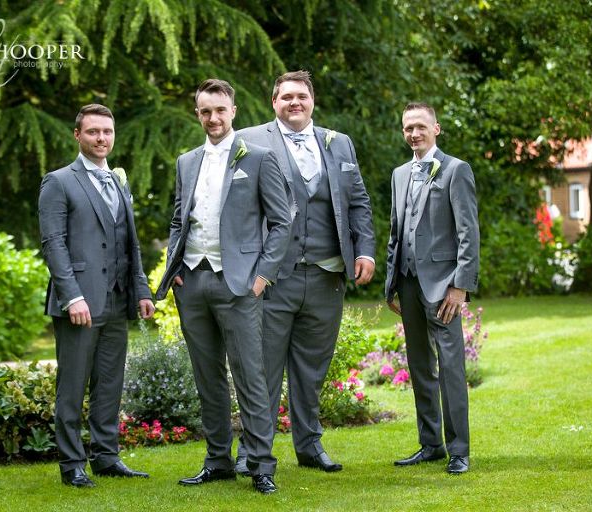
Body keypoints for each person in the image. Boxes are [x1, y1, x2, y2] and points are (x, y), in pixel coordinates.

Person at [155, 79, 291, 494]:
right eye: (204, 111)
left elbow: (282, 223)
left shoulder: (260, 157)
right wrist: (176, 268)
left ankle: (262, 465)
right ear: (197, 114)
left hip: (240, 285)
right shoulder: (186, 161)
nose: (213, 118)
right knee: (207, 377)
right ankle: (217, 460)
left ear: (233, 111)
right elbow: (180, 219)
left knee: (250, 376)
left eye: (219, 110)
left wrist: (262, 277)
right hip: (192, 282)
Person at [235, 70, 376, 474]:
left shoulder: (339, 142)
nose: (294, 103)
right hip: (272, 277)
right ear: (273, 103)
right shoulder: (249, 140)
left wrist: (364, 249)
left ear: (312, 100)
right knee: (261, 368)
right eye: (286, 97)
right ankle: (251, 450)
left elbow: (358, 202)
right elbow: (234, 205)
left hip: (327, 274)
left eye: (301, 96)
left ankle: (309, 446)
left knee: (313, 367)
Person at [38, 104, 156, 487]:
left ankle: (106, 457)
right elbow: (53, 244)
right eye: (93, 132)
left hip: (117, 302)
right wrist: (72, 297)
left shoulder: (118, 182)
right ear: (78, 135)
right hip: (79, 304)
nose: (101, 138)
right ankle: (72, 463)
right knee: (72, 387)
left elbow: (130, 244)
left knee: (109, 384)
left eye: (107, 131)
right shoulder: (58, 181)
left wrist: (141, 289)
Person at [384, 102, 479, 475]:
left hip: (443, 287)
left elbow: (468, 233)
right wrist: (391, 284)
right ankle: (430, 444)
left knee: (451, 368)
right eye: (408, 127)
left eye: (420, 126)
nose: (414, 133)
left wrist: (460, 287)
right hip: (407, 285)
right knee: (420, 366)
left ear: (436, 128)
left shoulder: (456, 170)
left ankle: (459, 450)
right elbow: (396, 232)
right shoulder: (399, 174)